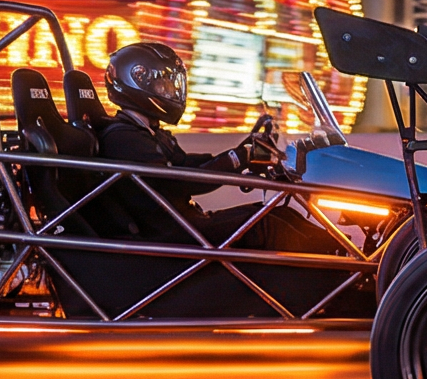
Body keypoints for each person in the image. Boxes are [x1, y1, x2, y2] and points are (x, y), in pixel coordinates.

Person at [95, 41, 331, 250]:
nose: (170, 91)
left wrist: (240, 156)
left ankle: (343, 261)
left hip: (182, 224)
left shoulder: (146, 132)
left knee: (279, 213)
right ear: (137, 81)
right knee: (268, 226)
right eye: (163, 85)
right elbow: (178, 182)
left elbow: (186, 164)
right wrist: (236, 159)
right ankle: (339, 274)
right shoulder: (123, 138)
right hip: (168, 236)